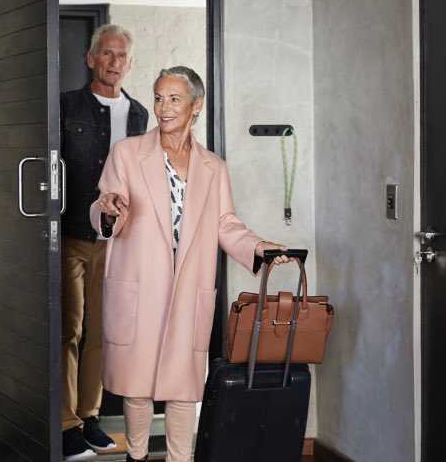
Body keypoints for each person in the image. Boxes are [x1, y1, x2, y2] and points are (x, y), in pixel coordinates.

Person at [90, 66, 290, 462]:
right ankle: (137, 456)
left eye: (174, 99)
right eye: (159, 97)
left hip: (188, 285)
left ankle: (181, 459)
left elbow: (225, 224)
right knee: (138, 384)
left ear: (196, 105)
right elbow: (104, 207)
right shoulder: (127, 153)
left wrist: (260, 247)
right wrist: (108, 210)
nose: (164, 108)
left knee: (184, 385)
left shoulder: (213, 167)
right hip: (141, 282)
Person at [60, 24, 149, 461]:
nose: (114, 62)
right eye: (106, 54)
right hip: (72, 234)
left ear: (129, 64)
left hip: (115, 241)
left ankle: (89, 416)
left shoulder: (138, 115)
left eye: (122, 56)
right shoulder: (66, 107)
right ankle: (64, 423)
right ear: (91, 58)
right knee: (69, 329)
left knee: (101, 332)